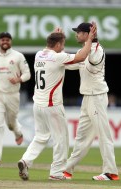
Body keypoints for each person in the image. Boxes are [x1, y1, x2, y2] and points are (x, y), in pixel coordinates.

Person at [17, 24, 97, 181]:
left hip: (37, 105)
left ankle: (26, 160)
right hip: (52, 105)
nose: (64, 47)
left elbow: (55, 51)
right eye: (63, 44)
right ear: (59, 44)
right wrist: (90, 39)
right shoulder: (58, 57)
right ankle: (56, 173)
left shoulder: (39, 54)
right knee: (61, 139)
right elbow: (81, 57)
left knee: (40, 136)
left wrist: (55, 36)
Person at [64, 23, 119, 181]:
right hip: (87, 97)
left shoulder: (97, 50)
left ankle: (110, 172)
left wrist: (90, 41)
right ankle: (67, 170)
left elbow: (90, 59)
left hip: (97, 96)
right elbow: (73, 63)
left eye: (79, 32)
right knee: (81, 136)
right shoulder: (85, 51)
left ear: (88, 34)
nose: (76, 35)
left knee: (103, 135)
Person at [0, 32, 31, 166]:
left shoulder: (18, 56)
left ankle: (18, 133)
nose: (5, 42)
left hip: (13, 95)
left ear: (10, 41)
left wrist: (19, 79)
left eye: (7, 39)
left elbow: (27, 74)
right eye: (2, 40)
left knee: (11, 124)